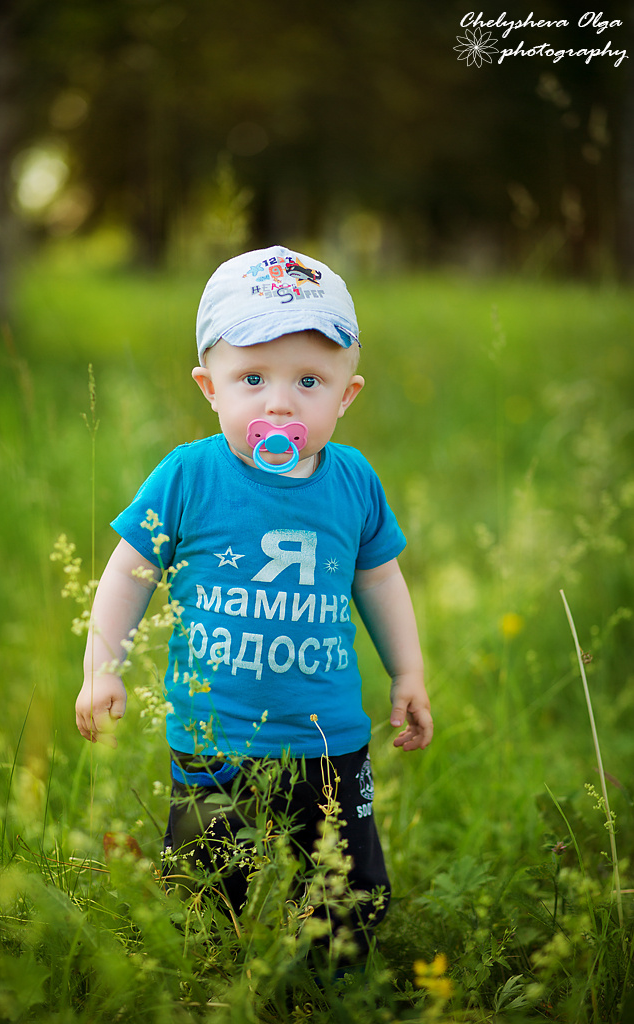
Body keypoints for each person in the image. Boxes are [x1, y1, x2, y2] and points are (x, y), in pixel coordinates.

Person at [75, 244, 433, 960]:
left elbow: (379, 579)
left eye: (307, 379)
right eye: (251, 378)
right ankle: (213, 975)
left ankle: (331, 984)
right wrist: (101, 664)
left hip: (328, 740)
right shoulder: (188, 475)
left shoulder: (353, 480)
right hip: (213, 735)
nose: (278, 402)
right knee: (207, 891)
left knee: (346, 892)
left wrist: (407, 673)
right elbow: (128, 571)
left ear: (345, 394)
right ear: (210, 388)